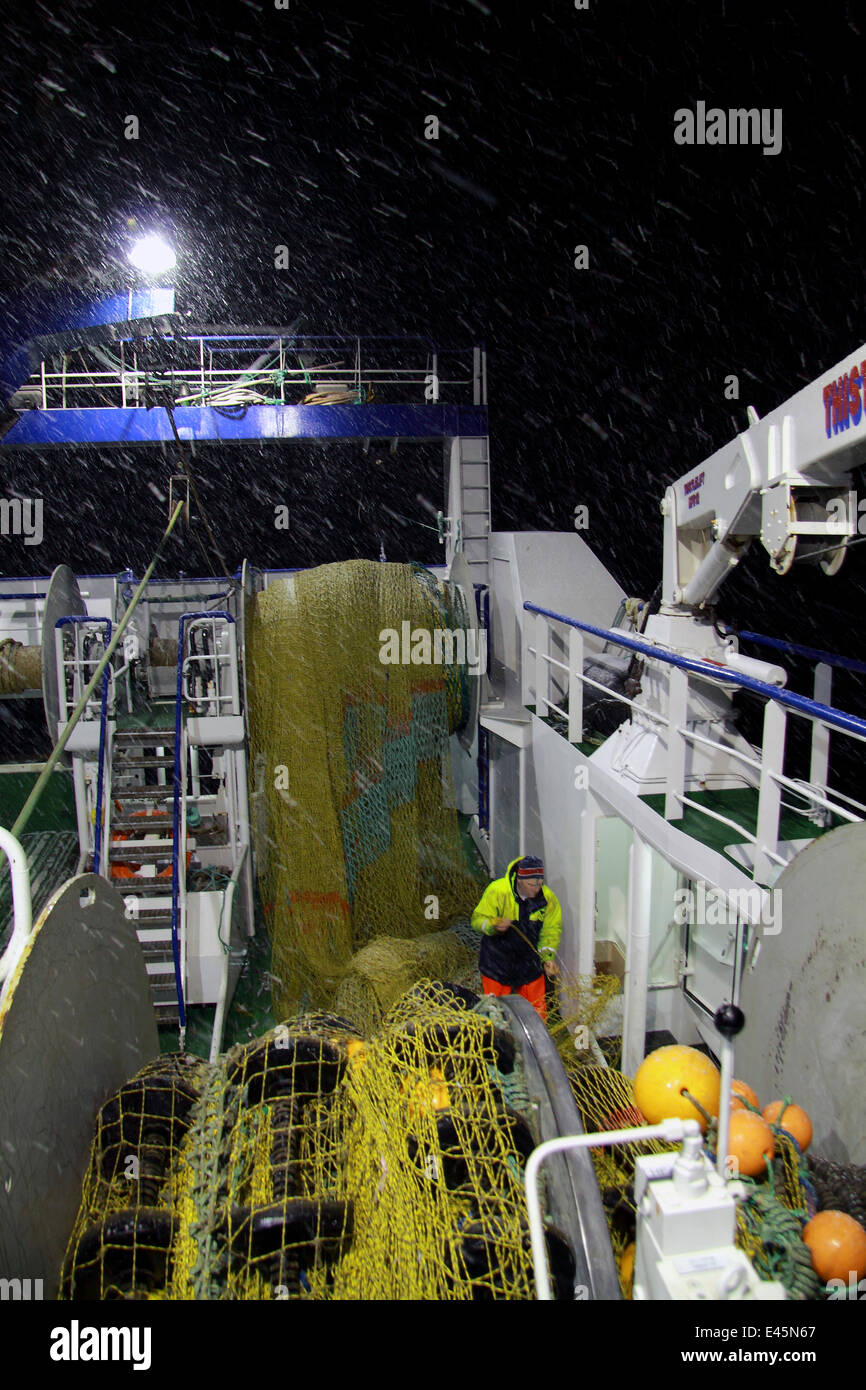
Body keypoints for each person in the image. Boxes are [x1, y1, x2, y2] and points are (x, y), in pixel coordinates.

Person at [470, 855, 562, 1022]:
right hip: (496, 961)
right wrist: (492, 926)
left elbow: (550, 931)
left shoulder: (548, 898)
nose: (537, 889)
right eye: (532, 885)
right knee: (493, 1012)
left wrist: (547, 958)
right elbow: (476, 920)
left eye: (540, 884)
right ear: (519, 880)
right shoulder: (497, 890)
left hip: (528, 962)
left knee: (538, 1014)